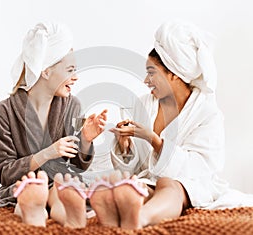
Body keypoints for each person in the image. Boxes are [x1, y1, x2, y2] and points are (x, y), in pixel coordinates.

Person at [88, 19, 230, 229]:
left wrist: (154, 140)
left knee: (168, 184)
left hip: (188, 185)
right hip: (150, 182)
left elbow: (199, 167)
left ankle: (139, 218)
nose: (146, 81)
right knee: (132, 185)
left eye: (152, 73)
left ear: (174, 74)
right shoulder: (145, 104)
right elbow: (137, 167)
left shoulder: (207, 114)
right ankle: (121, 206)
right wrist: (125, 147)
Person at [0, 21, 108, 227]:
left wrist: (85, 138)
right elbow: (4, 172)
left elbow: (77, 165)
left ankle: (68, 216)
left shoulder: (72, 105)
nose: (75, 77)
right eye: (69, 70)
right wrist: (48, 153)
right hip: (23, 185)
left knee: (61, 185)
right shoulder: (2, 113)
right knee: (34, 189)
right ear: (46, 71)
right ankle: (33, 208)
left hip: (61, 182)